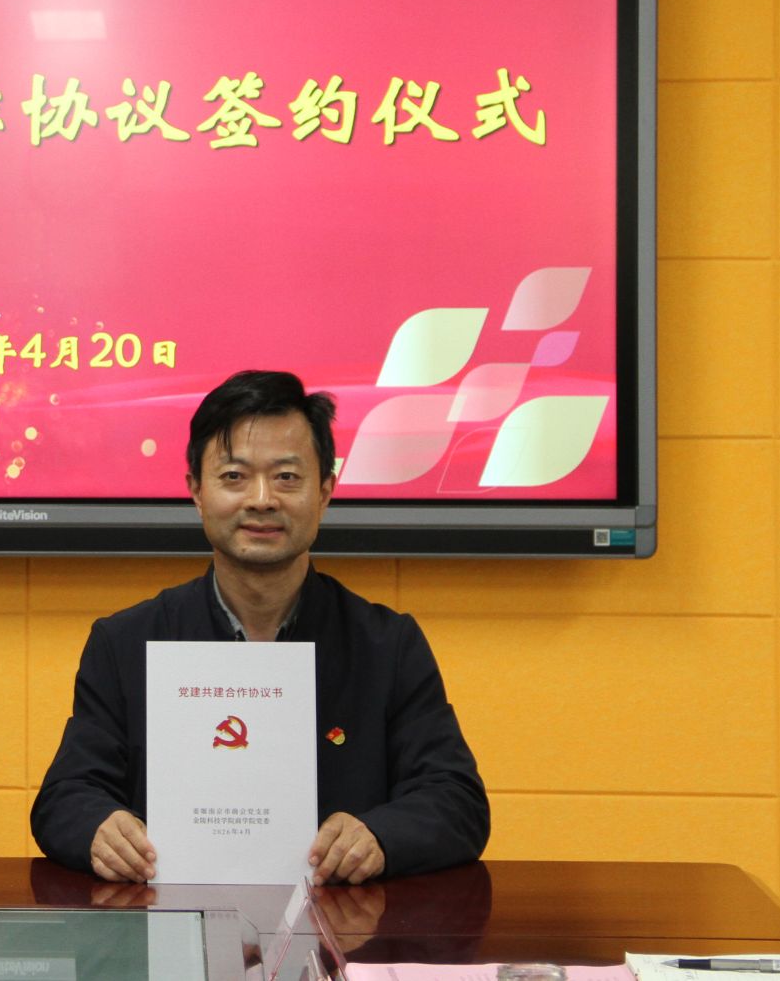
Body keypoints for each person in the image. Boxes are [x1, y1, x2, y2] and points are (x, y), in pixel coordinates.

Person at [30, 369, 488, 885]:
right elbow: (64, 797)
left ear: (326, 491)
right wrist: (100, 827)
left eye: (287, 477)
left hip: (339, 920)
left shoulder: (387, 645)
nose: (262, 499)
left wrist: (380, 836)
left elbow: (457, 801)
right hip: (170, 919)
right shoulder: (127, 643)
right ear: (196, 491)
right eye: (234, 476)